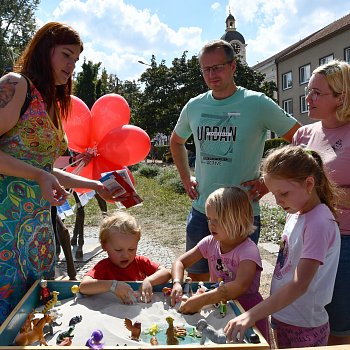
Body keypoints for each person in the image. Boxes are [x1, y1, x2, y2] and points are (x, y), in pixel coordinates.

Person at [0, 22, 119, 325]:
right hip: (4, 228)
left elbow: (42, 168)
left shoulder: (51, 101)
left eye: (76, 60)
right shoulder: (17, 85)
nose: (72, 66)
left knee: (31, 316)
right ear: (45, 50)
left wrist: (92, 184)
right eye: (67, 55)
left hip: (37, 228)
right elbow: (39, 173)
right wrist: (40, 176)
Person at [170, 39, 301, 282]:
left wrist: (268, 182)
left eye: (218, 67)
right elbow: (176, 141)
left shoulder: (257, 103)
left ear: (233, 67)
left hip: (242, 215)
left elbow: (301, 139)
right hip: (202, 213)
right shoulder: (195, 106)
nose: (212, 74)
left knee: (238, 288)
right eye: (206, 69)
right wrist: (186, 178)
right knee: (198, 280)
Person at [224, 145, 341, 348]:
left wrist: (252, 314)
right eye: (273, 194)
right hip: (283, 316)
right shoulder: (295, 214)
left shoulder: (319, 222)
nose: (278, 201)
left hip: (305, 325)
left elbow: (300, 284)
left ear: (309, 183)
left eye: (283, 193)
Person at [292, 59, 350, 345]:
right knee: (306, 310)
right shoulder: (304, 134)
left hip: (345, 240)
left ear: (342, 96)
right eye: (308, 91)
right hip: (304, 234)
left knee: (339, 318)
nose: (308, 98)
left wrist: (321, 192)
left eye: (317, 92)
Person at [170, 187, 269, 342]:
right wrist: (177, 283)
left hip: (246, 311)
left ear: (240, 219)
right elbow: (180, 262)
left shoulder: (248, 251)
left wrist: (202, 300)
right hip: (219, 306)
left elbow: (239, 286)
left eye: (218, 220)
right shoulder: (210, 242)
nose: (211, 225)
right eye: (209, 219)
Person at [79, 211, 171, 304]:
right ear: (104, 246)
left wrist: (149, 281)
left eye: (131, 249)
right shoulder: (104, 267)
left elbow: (166, 273)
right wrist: (112, 286)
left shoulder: (140, 262)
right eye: (118, 250)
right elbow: (83, 287)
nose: (126, 255)